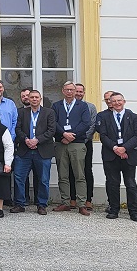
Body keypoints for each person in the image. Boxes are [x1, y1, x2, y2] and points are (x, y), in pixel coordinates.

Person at [94, 93, 137, 222]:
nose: (117, 103)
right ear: (110, 102)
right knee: (112, 183)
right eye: (114, 101)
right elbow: (103, 136)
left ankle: (133, 211)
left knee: (130, 184)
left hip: (129, 155)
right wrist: (116, 148)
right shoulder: (104, 117)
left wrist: (124, 148)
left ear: (124, 101)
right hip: (111, 154)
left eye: (119, 100)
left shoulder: (134, 117)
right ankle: (114, 209)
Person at [11, 89, 56, 215]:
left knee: (43, 179)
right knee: (19, 177)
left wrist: (37, 140)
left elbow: (51, 130)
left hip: (42, 150)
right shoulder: (22, 112)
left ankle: (41, 205)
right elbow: (17, 128)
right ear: (28, 99)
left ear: (40, 99)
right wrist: (26, 139)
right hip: (24, 150)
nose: (34, 99)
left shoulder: (49, 112)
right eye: (32, 97)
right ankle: (20, 203)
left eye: (37, 97)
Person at [52, 82, 92, 215]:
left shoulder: (83, 106)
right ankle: (65, 202)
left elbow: (86, 123)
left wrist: (71, 136)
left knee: (79, 174)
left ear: (75, 91)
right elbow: (53, 123)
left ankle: (81, 204)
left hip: (77, 143)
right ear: (63, 91)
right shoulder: (56, 105)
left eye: (72, 90)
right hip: (61, 143)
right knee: (63, 175)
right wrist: (63, 134)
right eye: (67, 89)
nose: (69, 92)